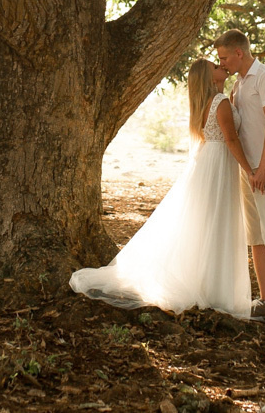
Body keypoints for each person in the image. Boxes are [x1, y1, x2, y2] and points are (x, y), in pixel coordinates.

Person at [69, 59, 254, 317]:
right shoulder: (220, 102)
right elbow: (231, 139)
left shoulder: (211, 102)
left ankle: (209, 285)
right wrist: (250, 169)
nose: (220, 66)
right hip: (220, 164)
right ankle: (216, 289)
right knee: (218, 223)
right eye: (215, 66)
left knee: (211, 223)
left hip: (211, 163)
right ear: (208, 77)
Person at [215, 29, 265, 330]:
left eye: (224, 57)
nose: (221, 63)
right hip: (249, 171)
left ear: (239, 52)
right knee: (257, 239)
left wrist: (263, 168)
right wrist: (250, 170)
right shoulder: (237, 84)